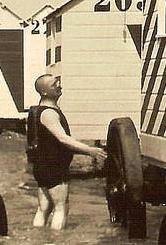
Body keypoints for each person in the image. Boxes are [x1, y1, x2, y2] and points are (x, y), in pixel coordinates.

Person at [28, 74, 107, 230]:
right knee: (61, 208)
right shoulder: (49, 113)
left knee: (44, 208)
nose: (59, 85)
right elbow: (63, 139)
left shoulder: (40, 111)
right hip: (53, 167)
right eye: (53, 84)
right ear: (44, 92)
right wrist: (90, 150)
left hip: (42, 166)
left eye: (58, 82)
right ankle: (57, 244)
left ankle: (38, 238)